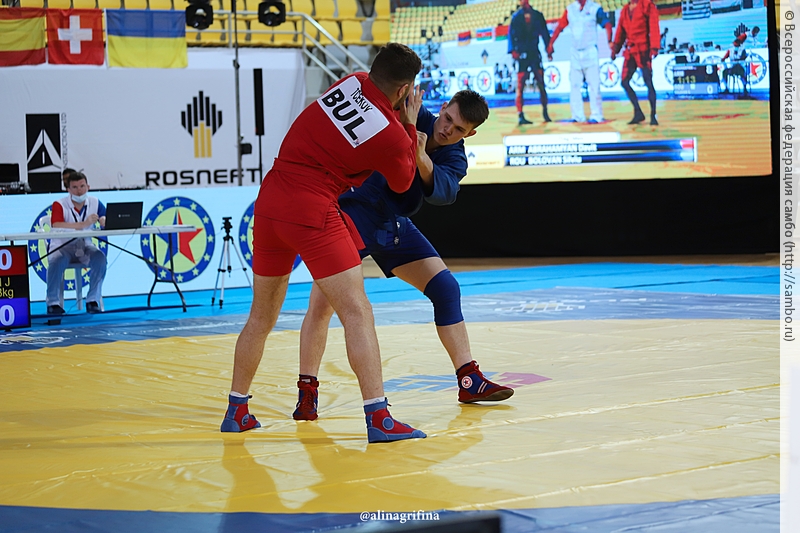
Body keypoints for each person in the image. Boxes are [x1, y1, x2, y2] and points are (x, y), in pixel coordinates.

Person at [220, 43, 428, 444]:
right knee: (357, 311)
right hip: (312, 206)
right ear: (404, 91)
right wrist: (407, 124)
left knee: (260, 317)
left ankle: (236, 410)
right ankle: (379, 418)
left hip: (270, 201)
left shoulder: (350, 81)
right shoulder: (390, 132)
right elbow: (403, 182)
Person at [292, 90, 514, 422]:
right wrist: (404, 114)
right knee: (322, 305)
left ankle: (469, 380)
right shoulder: (414, 112)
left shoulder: (455, 158)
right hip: (352, 214)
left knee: (446, 289)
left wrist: (418, 148)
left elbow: (442, 192)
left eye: (458, 129)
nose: (447, 129)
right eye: (447, 119)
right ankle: (307, 391)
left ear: (470, 134)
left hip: (390, 223)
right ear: (443, 108)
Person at [46, 171, 107, 315]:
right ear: (68, 189)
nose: (79, 191)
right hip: (63, 246)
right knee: (55, 260)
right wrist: (82, 224)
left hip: (85, 246)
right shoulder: (59, 204)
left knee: (100, 258)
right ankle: (53, 303)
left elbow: (105, 218)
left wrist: (104, 220)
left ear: (88, 187)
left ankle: (92, 300)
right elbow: (56, 224)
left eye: (82, 186)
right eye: (74, 187)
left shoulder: (95, 202)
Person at [546, 0, 613, 123]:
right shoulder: (570, 9)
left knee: (594, 84)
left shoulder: (594, 8)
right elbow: (560, 27)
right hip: (575, 52)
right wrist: (551, 43)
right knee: (574, 85)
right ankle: (577, 116)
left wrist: (609, 40)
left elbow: (607, 24)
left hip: (590, 50)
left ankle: (596, 115)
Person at [611, 0, 661, 125]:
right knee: (624, 82)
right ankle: (638, 112)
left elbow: (654, 26)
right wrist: (615, 49)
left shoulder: (647, 5)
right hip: (630, 50)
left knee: (648, 82)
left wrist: (654, 47)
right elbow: (620, 31)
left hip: (643, 49)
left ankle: (653, 115)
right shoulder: (625, 10)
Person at [508, 0, 551, 125]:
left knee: (541, 84)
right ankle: (520, 115)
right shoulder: (516, 17)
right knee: (520, 85)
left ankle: (545, 111)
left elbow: (545, 33)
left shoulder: (537, 15)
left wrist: (549, 49)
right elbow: (511, 36)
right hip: (522, 54)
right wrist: (513, 51)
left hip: (534, 53)